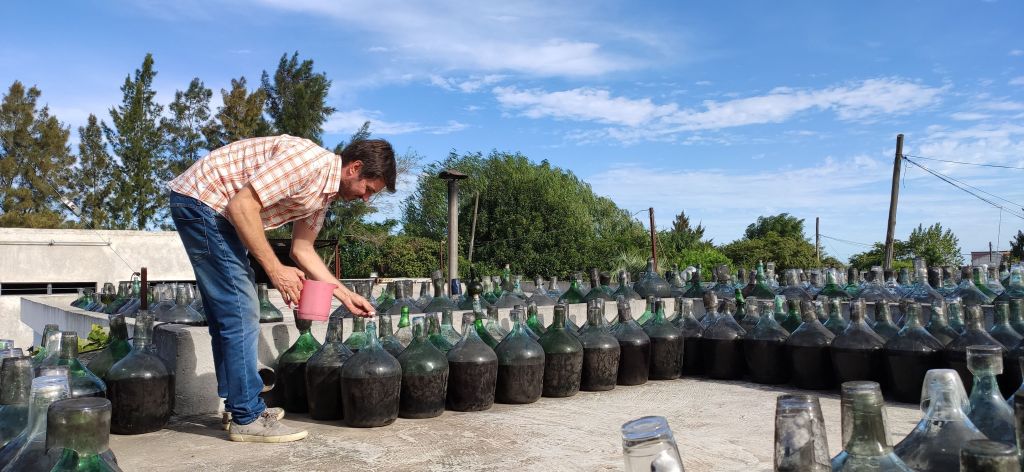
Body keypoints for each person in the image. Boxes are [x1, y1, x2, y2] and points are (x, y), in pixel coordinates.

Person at [167, 134, 395, 442]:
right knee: (242, 310)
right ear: (354, 168)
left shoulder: (322, 197)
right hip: (204, 201)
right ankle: (247, 415)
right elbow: (241, 205)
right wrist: (275, 270)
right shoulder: (307, 163)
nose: (366, 198)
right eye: (368, 189)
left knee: (228, 311)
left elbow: (303, 250)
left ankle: (237, 406)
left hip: (216, 210)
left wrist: (345, 294)